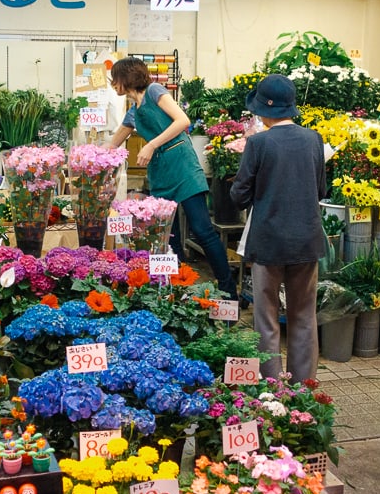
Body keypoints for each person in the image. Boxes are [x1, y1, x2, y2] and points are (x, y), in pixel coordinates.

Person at [108, 57, 236, 299]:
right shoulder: (133, 112)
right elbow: (113, 144)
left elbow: (183, 121)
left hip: (182, 166)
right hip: (160, 172)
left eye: (115, 79)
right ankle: (179, 291)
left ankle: (229, 291)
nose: (113, 85)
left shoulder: (155, 91)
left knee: (202, 230)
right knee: (168, 236)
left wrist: (151, 145)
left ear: (127, 77)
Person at [230, 75, 327, 382]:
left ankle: (271, 388)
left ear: (262, 110)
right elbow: (321, 189)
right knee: (303, 317)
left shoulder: (258, 143)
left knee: (267, 319)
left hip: (268, 241)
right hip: (306, 241)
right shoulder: (314, 139)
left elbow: (238, 195)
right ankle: (303, 388)